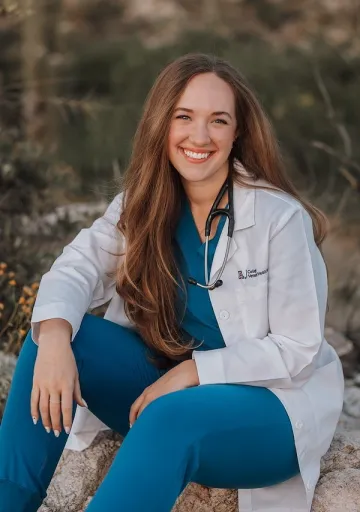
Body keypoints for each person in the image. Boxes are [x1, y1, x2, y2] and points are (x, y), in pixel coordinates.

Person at [0, 53, 344, 512]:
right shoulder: (141, 205)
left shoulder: (278, 219)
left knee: (169, 415)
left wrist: (193, 372)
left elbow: (297, 349)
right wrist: (57, 339)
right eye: (184, 116)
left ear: (237, 131)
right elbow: (74, 268)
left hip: (270, 411)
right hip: (164, 390)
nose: (199, 137)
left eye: (218, 120)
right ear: (162, 123)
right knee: (51, 335)